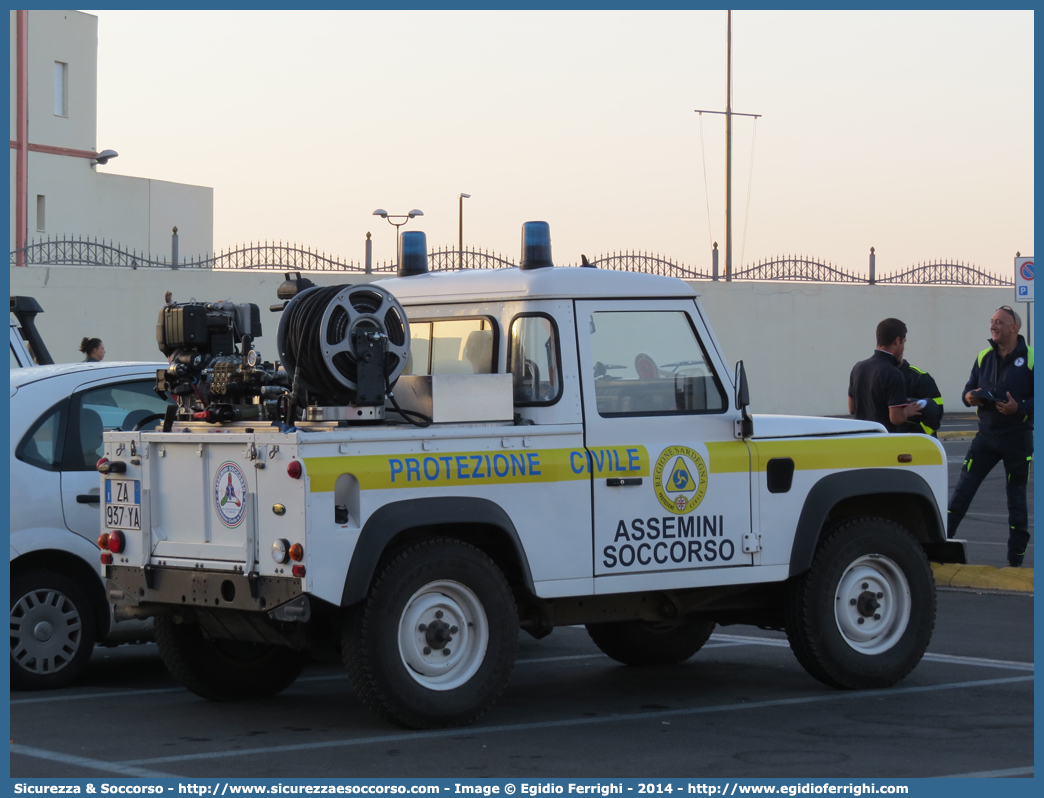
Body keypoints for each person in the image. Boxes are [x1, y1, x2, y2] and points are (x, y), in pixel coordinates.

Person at [947, 305, 1034, 568]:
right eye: (992, 321)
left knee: (1016, 500)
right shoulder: (984, 356)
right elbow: (966, 391)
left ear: (1014, 328)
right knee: (962, 492)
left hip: (1016, 438)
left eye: (999, 322)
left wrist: (1018, 408)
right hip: (985, 437)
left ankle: (1015, 560)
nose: (993, 326)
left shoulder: (1032, 358)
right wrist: (969, 397)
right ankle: (941, 544)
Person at [848, 318, 922, 432]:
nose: (903, 348)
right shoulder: (894, 374)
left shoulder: (858, 367)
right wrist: (907, 411)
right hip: (883, 439)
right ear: (897, 341)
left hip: (861, 437)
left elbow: (851, 409)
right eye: (904, 342)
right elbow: (896, 419)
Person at [897, 359, 944, 436]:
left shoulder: (920, 377)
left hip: (919, 444)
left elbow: (936, 413)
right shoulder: (876, 376)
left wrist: (917, 435)